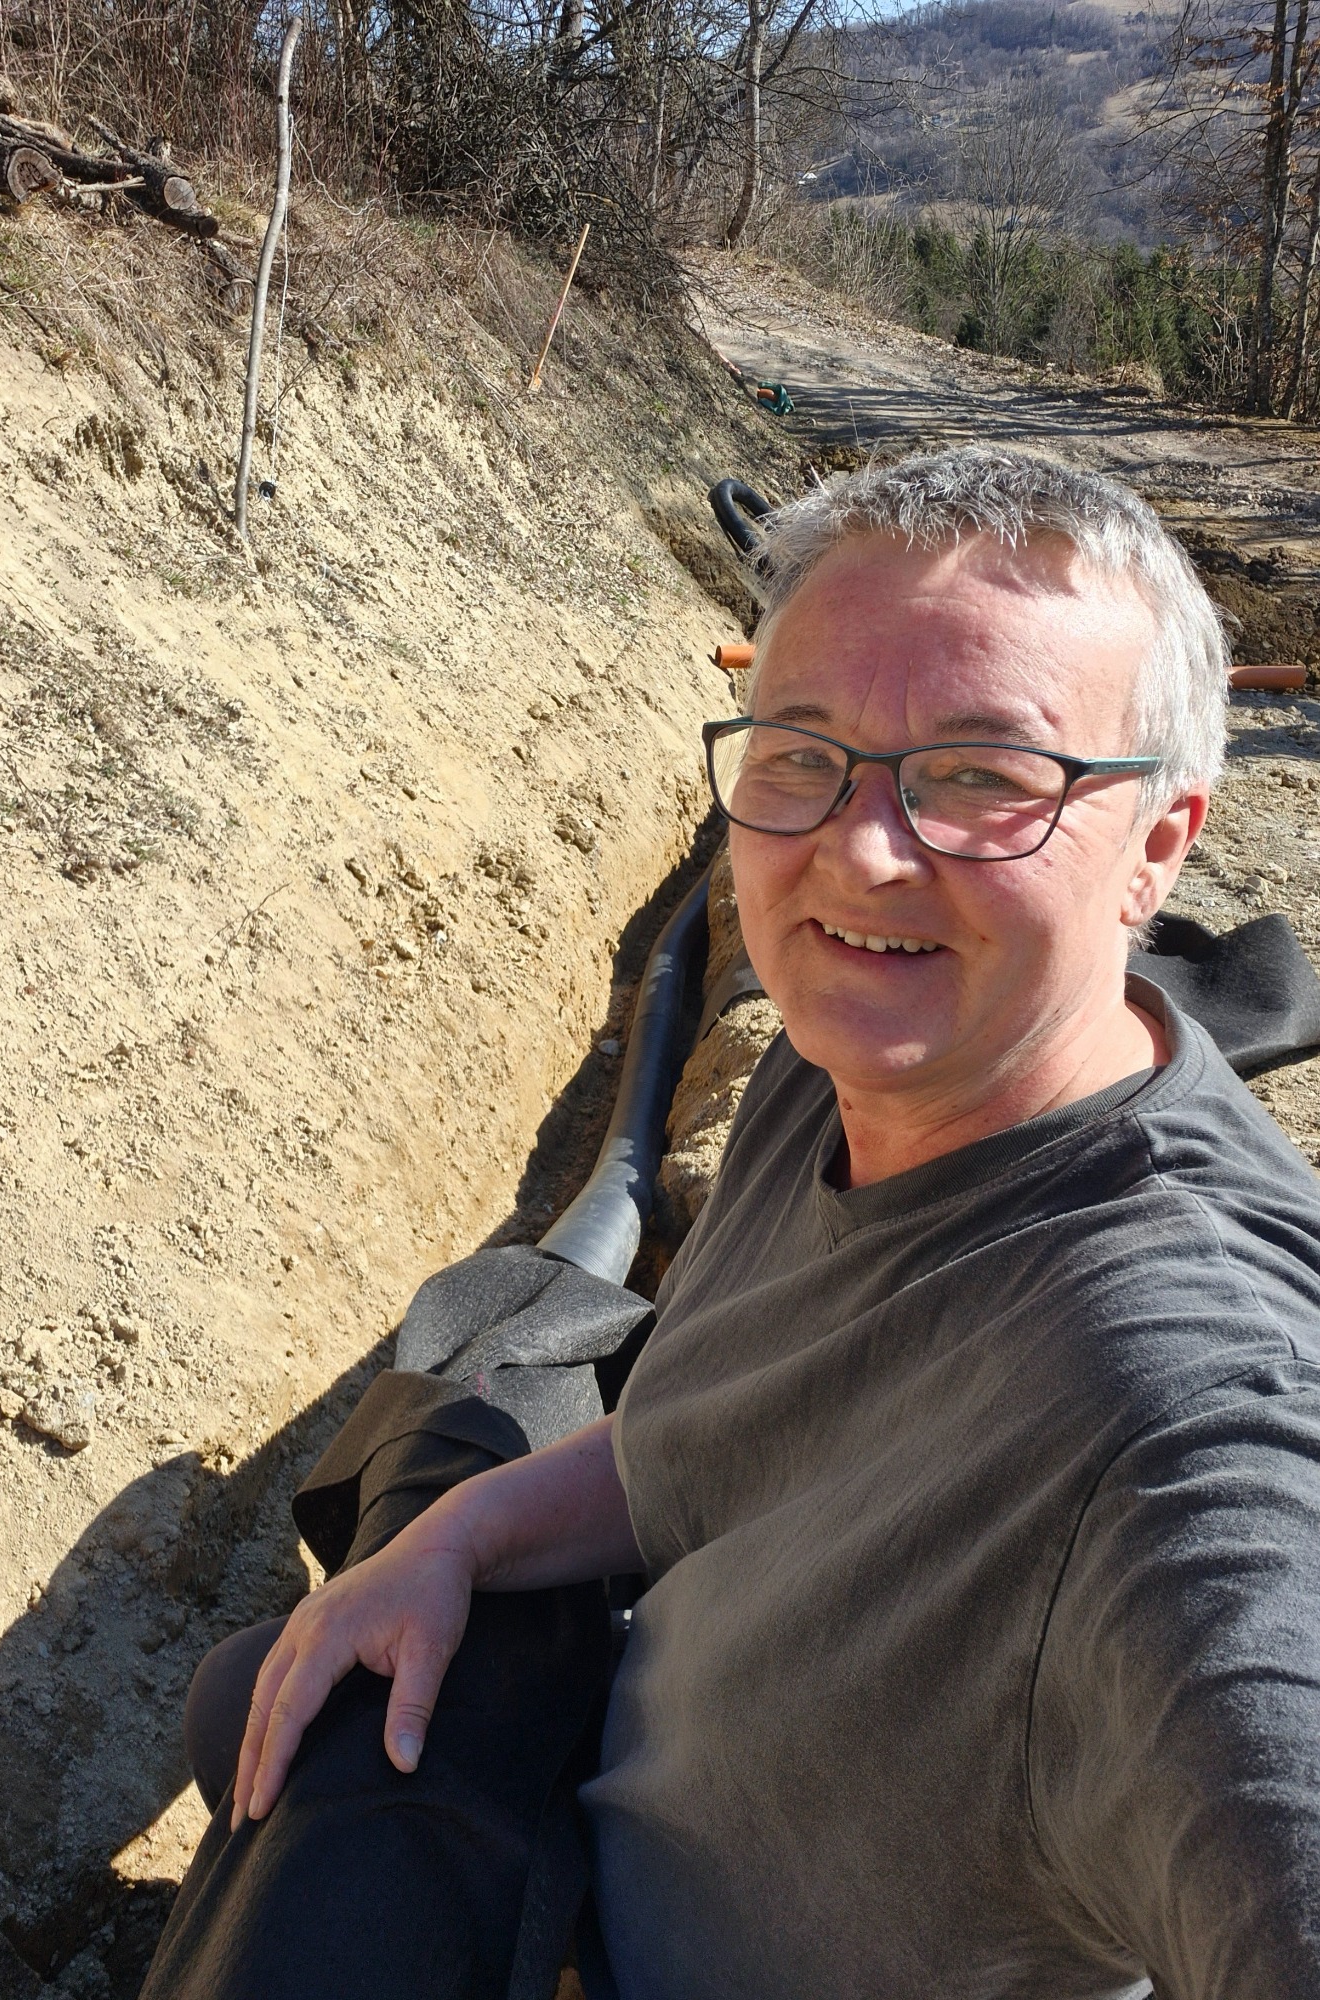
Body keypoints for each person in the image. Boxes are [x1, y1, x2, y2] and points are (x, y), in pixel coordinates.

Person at [163, 449, 1320, 1999]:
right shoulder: (824, 1069)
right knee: (251, 1694)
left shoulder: (1185, 1407)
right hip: (605, 1825)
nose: (863, 849)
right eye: (800, 754)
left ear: (1157, 848)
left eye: (983, 776)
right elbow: (698, 1444)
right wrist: (450, 1536)